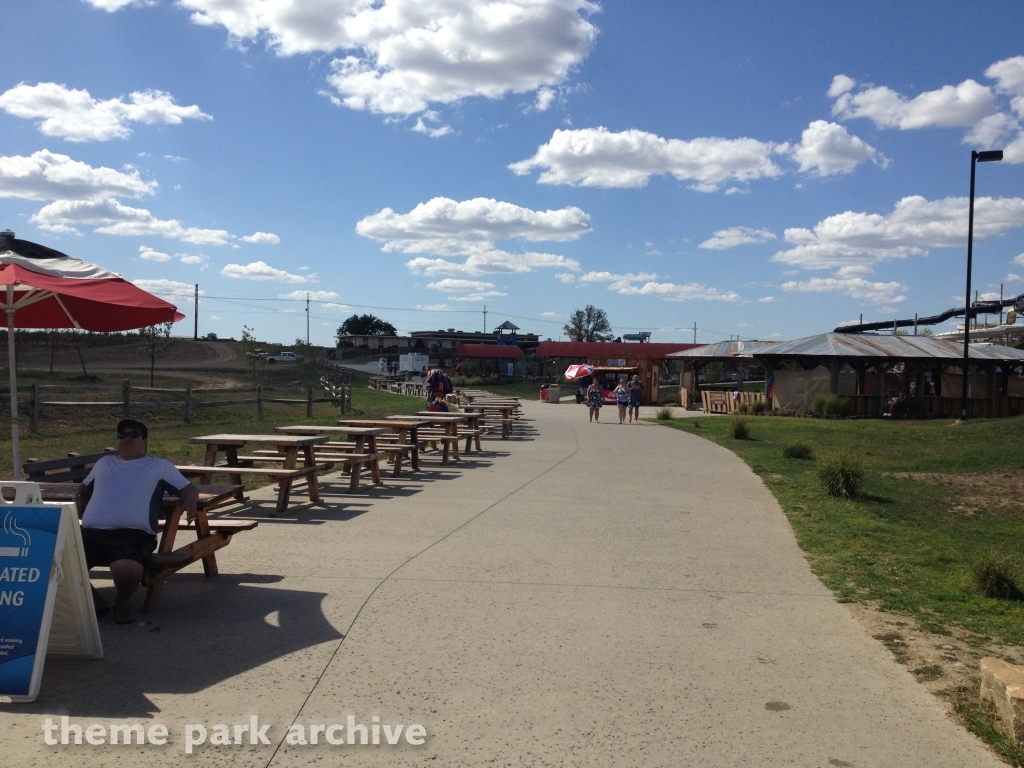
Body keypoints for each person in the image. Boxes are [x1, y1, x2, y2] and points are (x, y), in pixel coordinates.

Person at [75, 419, 198, 625]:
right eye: (122, 435)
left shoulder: (159, 466)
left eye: (134, 434)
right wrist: (77, 500)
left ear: (145, 441)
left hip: (134, 535)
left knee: (126, 569)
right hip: (91, 532)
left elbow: (188, 489)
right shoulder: (104, 463)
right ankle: (94, 601)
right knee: (56, 561)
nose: (127, 438)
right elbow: (83, 490)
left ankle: (122, 601)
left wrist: (191, 500)